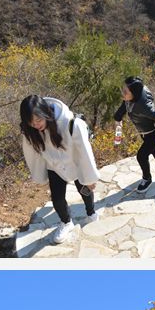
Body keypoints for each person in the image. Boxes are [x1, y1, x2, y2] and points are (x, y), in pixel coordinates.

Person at [19, 95, 100, 246]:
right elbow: (32, 154)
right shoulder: (30, 132)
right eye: (31, 122)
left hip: (75, 163)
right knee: (57, 199)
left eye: (38, 120)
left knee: (85, 190)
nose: (36, 125)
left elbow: (84, 151)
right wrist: (39, 174)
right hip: (54, 166)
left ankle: (91, 213)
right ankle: (66, 222)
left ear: (46, 113)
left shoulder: (71, 123)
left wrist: (89, 177)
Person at [113, 76, 155, 191]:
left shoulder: (143, 106)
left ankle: (147, 179)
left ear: (134, 93)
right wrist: (117, 121)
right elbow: (122, 110)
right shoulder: (131, 96)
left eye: (125, 91)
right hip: (145, 131)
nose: (122, 93)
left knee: (141, 156)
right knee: (153, 149)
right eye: (122, 89)